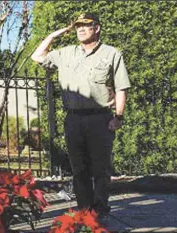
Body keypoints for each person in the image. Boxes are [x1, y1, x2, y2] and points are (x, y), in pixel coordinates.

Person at [31, 13, 131, 219]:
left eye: (86, 26)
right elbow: (37, 56)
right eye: (77, 27)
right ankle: (85, 212)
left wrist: (118, 117)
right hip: (73, 119)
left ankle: (100, 210)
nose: (81, 30)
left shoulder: (111, 54)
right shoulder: (65, 53)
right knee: (79, 168)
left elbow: (121, 88)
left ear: (97, 28)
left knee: (100, 168)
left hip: (100, 118)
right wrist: (55, 34)